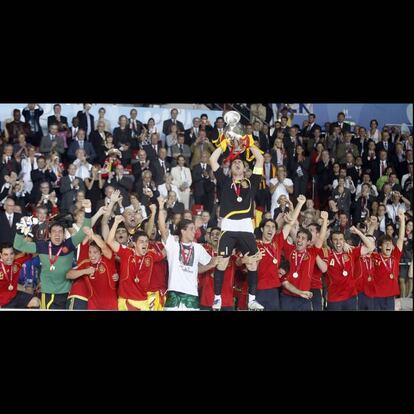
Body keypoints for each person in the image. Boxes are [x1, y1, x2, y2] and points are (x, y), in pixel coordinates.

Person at [209, 138, 265, 310]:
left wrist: (250, 144)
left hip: (246, 227)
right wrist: (223, 145)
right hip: (228, 226)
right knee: (222, 262)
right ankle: (217, 298)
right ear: (231, 168)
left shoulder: (252, 182)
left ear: (245, 168)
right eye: (235, 163)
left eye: (240, 162)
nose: (238, 164)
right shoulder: (225, 182)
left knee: (253, 263)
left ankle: (252, 300)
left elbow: (260, 159)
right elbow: (212, 160)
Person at [13, 200, 92, 309]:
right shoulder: (42, 246)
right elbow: (19, 245)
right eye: (54, 231)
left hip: (66, 293)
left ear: (64, 234)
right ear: (49, 234)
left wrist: (88, 210)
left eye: (60, 231)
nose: (57, 234)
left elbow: (84, 231)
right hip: (47, 293)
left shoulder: (69, 244)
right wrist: (20, 231)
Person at [157, 196, 217, 310]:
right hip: (174, 293)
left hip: (192, 295)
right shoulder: (173, 244)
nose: (194, 232)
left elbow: (202, 266)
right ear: (182, 231)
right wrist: (160, 207)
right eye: (191, 229)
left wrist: (215, 263)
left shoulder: (198, 247)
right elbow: (162, 229)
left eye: (195, 229)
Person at [256, 195, 306, 310]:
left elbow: (290, 223)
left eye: (273, 227)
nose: (271, 229)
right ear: (262, 229)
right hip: (258, 289)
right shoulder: (256, 245)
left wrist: (300, 204)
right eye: (268, 227)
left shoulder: (277, 241)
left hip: (274, 289)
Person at [107, 214, 163, 311]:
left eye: (146, 242)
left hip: (143, 300)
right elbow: (110, 241)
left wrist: (173, 242)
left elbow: (163, 254)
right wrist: (116, 223)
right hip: (126, 300)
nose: (145, 244)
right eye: (141, 241)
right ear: (134, 244)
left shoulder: (150, 255)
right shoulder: (127, 253)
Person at [279, 212, 328, 311]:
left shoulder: (311, 253)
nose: (299, 240)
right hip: (287, 296)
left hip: (304, 297)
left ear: (308, 242)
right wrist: (285, 221)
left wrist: (325, 220)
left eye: (303, 238)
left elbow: (321, 238)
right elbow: (280, 236)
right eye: (298, 237)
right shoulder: (289, 249)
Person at [322, 226, 375, 311]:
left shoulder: (351, 252)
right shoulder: (327, 255)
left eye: (341, 239)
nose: (338, 242)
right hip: (334, 298)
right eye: (335, 239)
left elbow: (371, 247)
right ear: (331, 242)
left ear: (344, 241)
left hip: (350, 297)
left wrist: (358, 232)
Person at [66, 227, 118, 310]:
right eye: (90, 252)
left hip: (110, 305)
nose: (91, 255)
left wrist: (92, 235)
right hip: (93, 306)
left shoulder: (108, 261)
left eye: (95, 252)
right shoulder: (87, 263)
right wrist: (85, 271)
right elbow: (68, 275)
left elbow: (104, 247)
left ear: (101, 253)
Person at [372, 211, 406, 310]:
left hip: (390, 296)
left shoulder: (395, 256)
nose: (388, 246)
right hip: (377, 296)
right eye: (385, 244)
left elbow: (400, 239)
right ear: (380, 246)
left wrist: (402, 221)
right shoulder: (375, 257)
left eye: (390, 244)